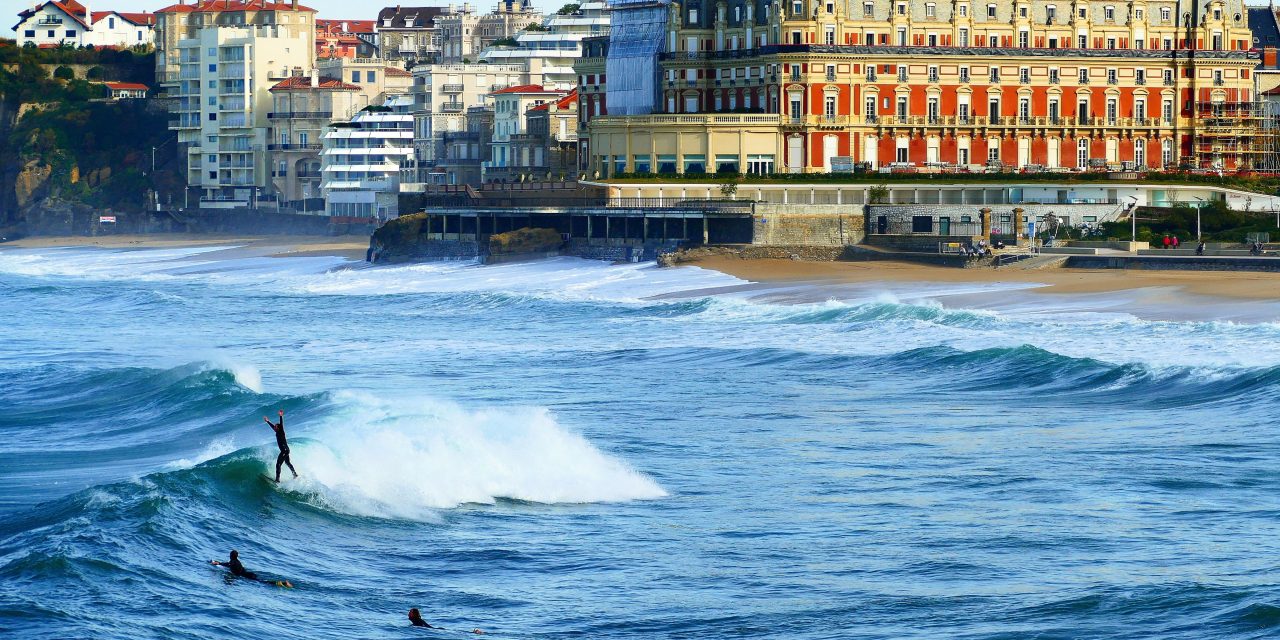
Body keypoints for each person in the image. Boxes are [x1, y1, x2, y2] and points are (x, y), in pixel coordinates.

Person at [264, 409, 298, 483]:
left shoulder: (281, 431)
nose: (274, 428)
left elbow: (281, 425)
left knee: (278, 464)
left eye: (276, 427)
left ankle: (277, 480)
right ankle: (295, 474)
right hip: (287, 450)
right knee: (287, 463)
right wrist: (268, 421)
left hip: (284, 450)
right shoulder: (277, 431)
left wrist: (281, 416)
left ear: (279, 428)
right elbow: (273, 426)